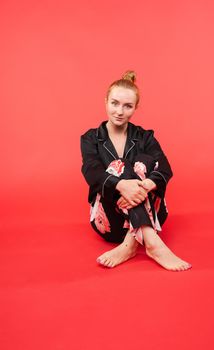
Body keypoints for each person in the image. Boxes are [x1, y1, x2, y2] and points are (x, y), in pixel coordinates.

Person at [80, 70, 192, 271]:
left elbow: (165, 168)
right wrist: (122, 185)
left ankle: (130, 244)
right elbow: (91, 172)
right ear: (105, 101)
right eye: (114, 103)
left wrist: (144, 186)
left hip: (152, 213)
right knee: (117, 166)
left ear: (135, 108)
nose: (119, 111)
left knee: (144, 161)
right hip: (110, 224)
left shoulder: (145, 137)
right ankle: (152, 241)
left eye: (127, 106)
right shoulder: (90, 138)